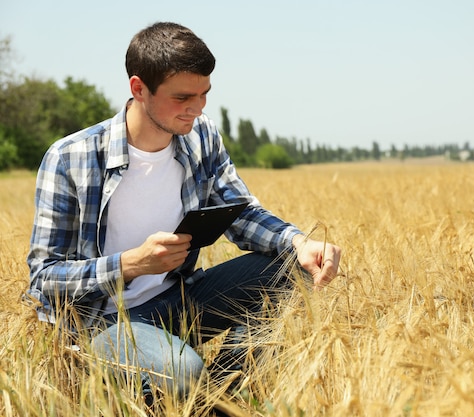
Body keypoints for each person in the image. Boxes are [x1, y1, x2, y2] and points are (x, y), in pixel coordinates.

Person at [25, 21, 341, 401]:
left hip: (182, 299)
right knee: (184, 373)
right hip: (106, 322)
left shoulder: (201, 134)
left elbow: (239, 212)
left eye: (205, 94)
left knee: (292, 264)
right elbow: (43, 279)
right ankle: (194, 389)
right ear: (138, 88)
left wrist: (298, 242)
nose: (197, 108)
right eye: (182, 98)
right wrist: (130, 264)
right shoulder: (70, 158)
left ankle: (229, 397)